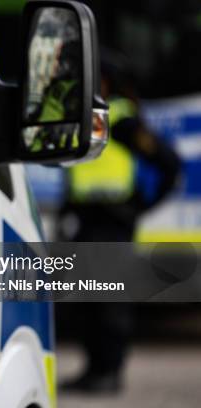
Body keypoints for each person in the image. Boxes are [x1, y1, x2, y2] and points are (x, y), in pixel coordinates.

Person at [59, 50, 181, 393]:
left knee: (110, 304)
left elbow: (169, 165)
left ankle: (109, 373)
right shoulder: (84, 115)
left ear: (107, 82)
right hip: (86, 220)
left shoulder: (120, 119)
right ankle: (94, 370)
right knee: (87, 301)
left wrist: (139, 207)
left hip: (113, 221)